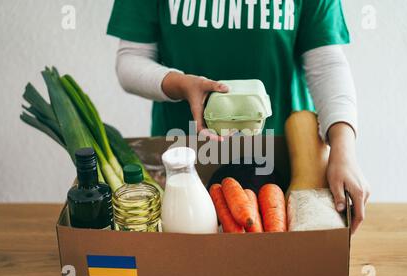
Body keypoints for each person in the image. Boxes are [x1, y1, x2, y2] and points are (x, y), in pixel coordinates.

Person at [107, 0, 370, 233]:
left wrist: (344, 148)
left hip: (284, 158)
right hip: (185, 156)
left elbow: (326, 63)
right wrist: (181, 84)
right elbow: (131, 59)